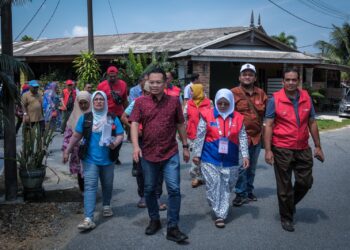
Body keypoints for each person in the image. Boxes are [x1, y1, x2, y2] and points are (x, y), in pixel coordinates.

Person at [130, 67, 190, 243]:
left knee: (174, 189)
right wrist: (135, 146)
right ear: (147, 82)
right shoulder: (140, 102)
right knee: (149, 189)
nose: (155, 85)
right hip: (148, 154)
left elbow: (180, 124)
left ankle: (173, 227)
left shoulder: (173, 101)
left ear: (165, 83)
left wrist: (185, 146)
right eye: (152, 82)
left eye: (158, 82)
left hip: (170, 153)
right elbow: (134, 124)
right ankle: (154, 219)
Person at [264, 67, 325, 232]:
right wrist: (268, 150)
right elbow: (268, 125)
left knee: (305, 182)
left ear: (299, 81)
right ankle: (286, 217)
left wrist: (318, 146)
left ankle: (289, 205)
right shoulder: (274, 100)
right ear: (283, 82)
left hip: (303, 147)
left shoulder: (306, 98)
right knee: (284, 186)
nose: (291, 83)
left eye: (294, 80)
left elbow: (312, 122)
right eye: (287, 80)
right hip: (282, 147)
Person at [63, 91, 124, 231]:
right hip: (90, 159)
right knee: (90, 186)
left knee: (107, 184)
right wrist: (67, 150)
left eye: (101, 99)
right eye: (95, 99)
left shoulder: (112, 118)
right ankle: (88, 218)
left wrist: (115, 143)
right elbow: (76, 135)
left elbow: (120, 134)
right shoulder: (86, 118)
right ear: (92, 102)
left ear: (105, 102)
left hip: (108, 159)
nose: (98, 102)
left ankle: (107, 205)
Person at [192, 89, 249, 228]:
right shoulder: (207, 115)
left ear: (231, 103)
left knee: (227, 186)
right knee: (213, 185)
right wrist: (197, 154)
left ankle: (218, 204)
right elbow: (200, 136)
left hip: (231, 158)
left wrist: (245, 155)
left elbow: (242, 137)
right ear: (216, 102)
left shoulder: (238, 118)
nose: (223, 105)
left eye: (226, 103)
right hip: (209, 157)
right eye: (220, 102)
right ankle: (220, 215)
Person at [121, 81, 166, 210]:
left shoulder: (161, 102)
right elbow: (124, 117)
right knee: (140, 169)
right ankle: (143, 196)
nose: (150, 94)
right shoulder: (137, 102)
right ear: (144, 92)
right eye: (147, 92)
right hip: (141, 141)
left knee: (158, 169)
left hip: (158, 141)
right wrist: (134, 128)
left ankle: (157, 197)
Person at [231, 63, 268, 206]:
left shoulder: (261, 93)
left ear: (254, 78)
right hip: (240, 137)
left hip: (257, 136)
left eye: (250, 74)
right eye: (244, 74)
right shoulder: (232, 93)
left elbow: (268, 115)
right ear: (240, 77)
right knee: (241, 167)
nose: (247, 77)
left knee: (252, 167)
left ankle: (248, 190)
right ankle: (240, 193)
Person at [97, 66, 128, 165]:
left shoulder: (123, 84)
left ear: (117, 75)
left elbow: (125, 101)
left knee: (119, 136)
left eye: (114, 76)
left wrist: (127, 114)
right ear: (107, 75)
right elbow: (97, 100)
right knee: (106, 136)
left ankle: (115, 155)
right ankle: (108, 155)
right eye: (110, 76)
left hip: (118, 115)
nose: (112, 78)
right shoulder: (101, 86)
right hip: (106, 116)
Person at [62, 91, 91, 192]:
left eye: (85, 103)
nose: (83, 105)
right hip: (78, 151)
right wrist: (66, 151)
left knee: (91, 172)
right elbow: (67, 136)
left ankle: (90, 192)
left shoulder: (95, 115)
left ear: (89, 102)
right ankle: (84, 192)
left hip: (92, 150)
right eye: (81, 103)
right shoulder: (73, 117)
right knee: (80, 172)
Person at [183, 83, 211, 188]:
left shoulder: (209, 103)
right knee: (196, 155)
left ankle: (201, 176)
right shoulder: (189, 103)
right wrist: (182, 133)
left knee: (204, 156)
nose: (191, 92)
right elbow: (184, 118)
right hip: (192, 134)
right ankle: (195, 176)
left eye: (192, 90)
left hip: (207, 134)